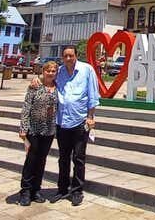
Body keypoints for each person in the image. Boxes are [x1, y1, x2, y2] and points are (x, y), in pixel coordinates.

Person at [30, 45, 99, 206]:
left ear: (76, 56)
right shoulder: (59, 71)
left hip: (80, 121)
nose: (68, 58)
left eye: (71, 55)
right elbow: (47, 78)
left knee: (79, 158)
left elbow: (93, 95)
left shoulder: (86, 70)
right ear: (62, 57)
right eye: (65, 56)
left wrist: (90, 116)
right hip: (62, 123)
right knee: (63, 158)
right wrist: (36, 79)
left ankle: (77, 191)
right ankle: (62, 189)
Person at [18, 61, 58, 206]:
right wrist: (23, 127)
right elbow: (26, 107)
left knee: (41, 160)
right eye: (48, 70)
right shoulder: (35, 86)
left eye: (53, 71)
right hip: (33, 129)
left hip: (48, 130)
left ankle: (36, 190)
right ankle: (26, 191)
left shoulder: (57, 87)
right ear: (43, 71)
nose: (51, 73)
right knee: (31, 160)